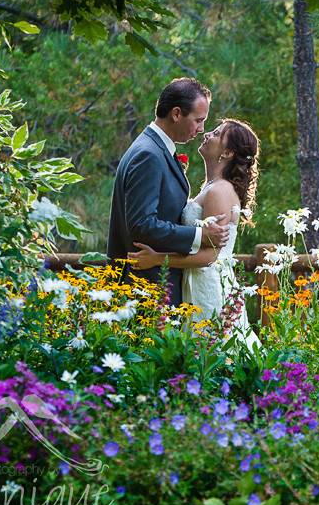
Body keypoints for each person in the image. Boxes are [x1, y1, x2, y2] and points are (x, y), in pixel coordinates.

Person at [127, 119, 261, 350]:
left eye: (217, 134)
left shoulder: (219, 191)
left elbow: (210, 257)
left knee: (211, 350)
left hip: (207, 284)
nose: (207, 134)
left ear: (227, 152)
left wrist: (157, 259)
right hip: (195, 280)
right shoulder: (211, 186)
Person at [107, 78, 230, 306]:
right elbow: (142, 224)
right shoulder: (149, 155)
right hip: (145, 288)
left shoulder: (154, 148)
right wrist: (199, 236)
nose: (201, 129)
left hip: (155, 286)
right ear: (176, 114)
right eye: (198, 120)